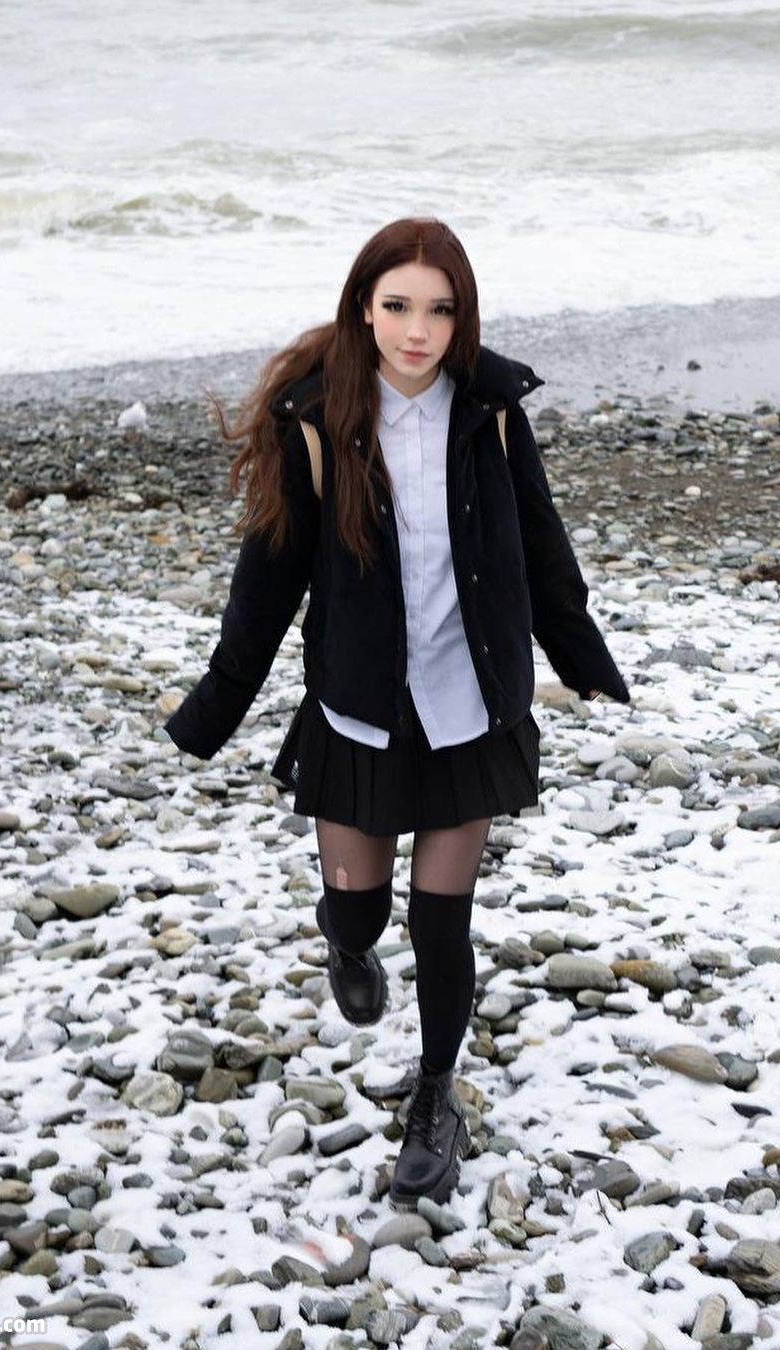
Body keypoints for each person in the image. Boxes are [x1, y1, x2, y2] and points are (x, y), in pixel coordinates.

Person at [163, 217, 630, 1211]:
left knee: (441, 921)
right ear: (363, 309)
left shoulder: (490, 411)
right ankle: (345, 937)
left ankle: (434, 1097)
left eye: (441, 309)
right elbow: (266, 582)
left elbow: (541, 542)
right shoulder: (315, 420)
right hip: (359, 711)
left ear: (463, 316)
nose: (419, 330)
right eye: (399, 306)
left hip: (469, 705)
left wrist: (581, 652)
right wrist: (214, 706)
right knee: (362, 907)